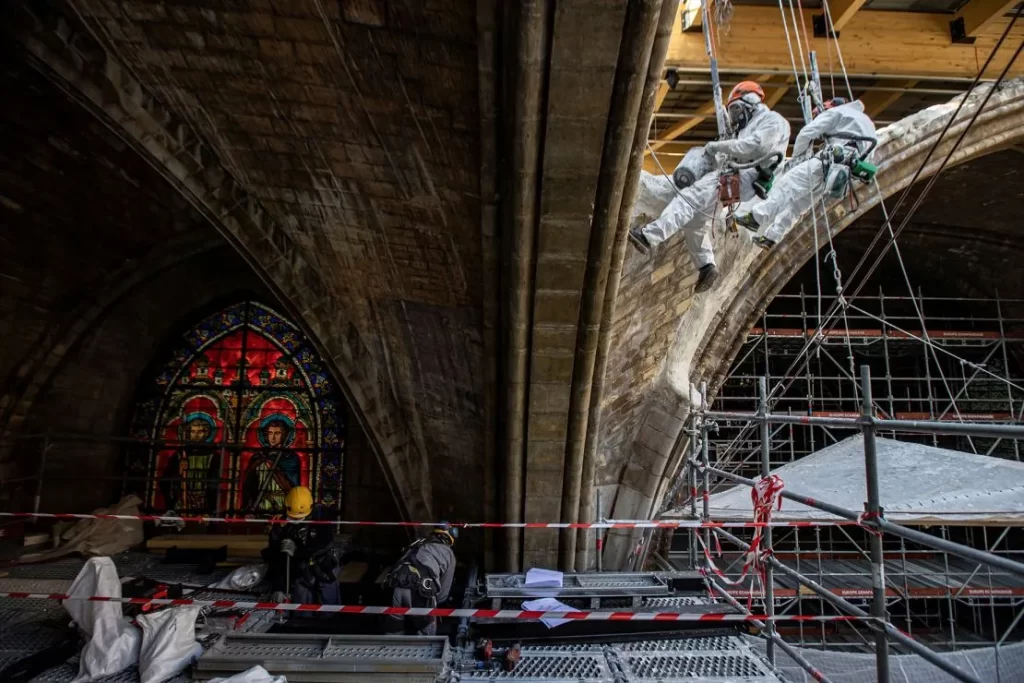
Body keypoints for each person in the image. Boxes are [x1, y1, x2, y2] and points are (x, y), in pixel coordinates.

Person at [629, 81, 791, 293]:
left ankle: (648, 237)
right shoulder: (751, 126)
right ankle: (706, 266)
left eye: (736, 109)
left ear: (751, 101)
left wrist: (717, 146)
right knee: (696, 222)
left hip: (742, 177)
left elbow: (755, 146)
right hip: (738, 180)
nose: (735, 115)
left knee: (688, 198)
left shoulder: (772, 121)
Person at [736, 97, 876, 249]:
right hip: (841, 175)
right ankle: (771, 237)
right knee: (799, 205)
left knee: (787, 185)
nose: (819, 109)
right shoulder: (867, 123)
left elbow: (807, 133)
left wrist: (798, 159)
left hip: (826, 163)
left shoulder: (837, 112)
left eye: (823, 105)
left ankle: (756, 218)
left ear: (831, 104)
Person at [263, 485, 339, 605]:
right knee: (302, 606)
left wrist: (297, 550)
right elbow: (277, 559)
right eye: (292, 517)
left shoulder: (321, 518)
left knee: (328, 605)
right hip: (300, 573)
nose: (296, 519)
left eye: (300, 517)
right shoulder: (280, 526)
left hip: (324, 568)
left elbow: (324, 544)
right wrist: (279, 588)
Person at [383, 524, 458, 636]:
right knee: (425, 638)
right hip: (421, 591)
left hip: (395, 586)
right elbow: (443, 593)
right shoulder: (448, 553)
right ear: (450, 539)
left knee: (393, 633)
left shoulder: (416, 544)